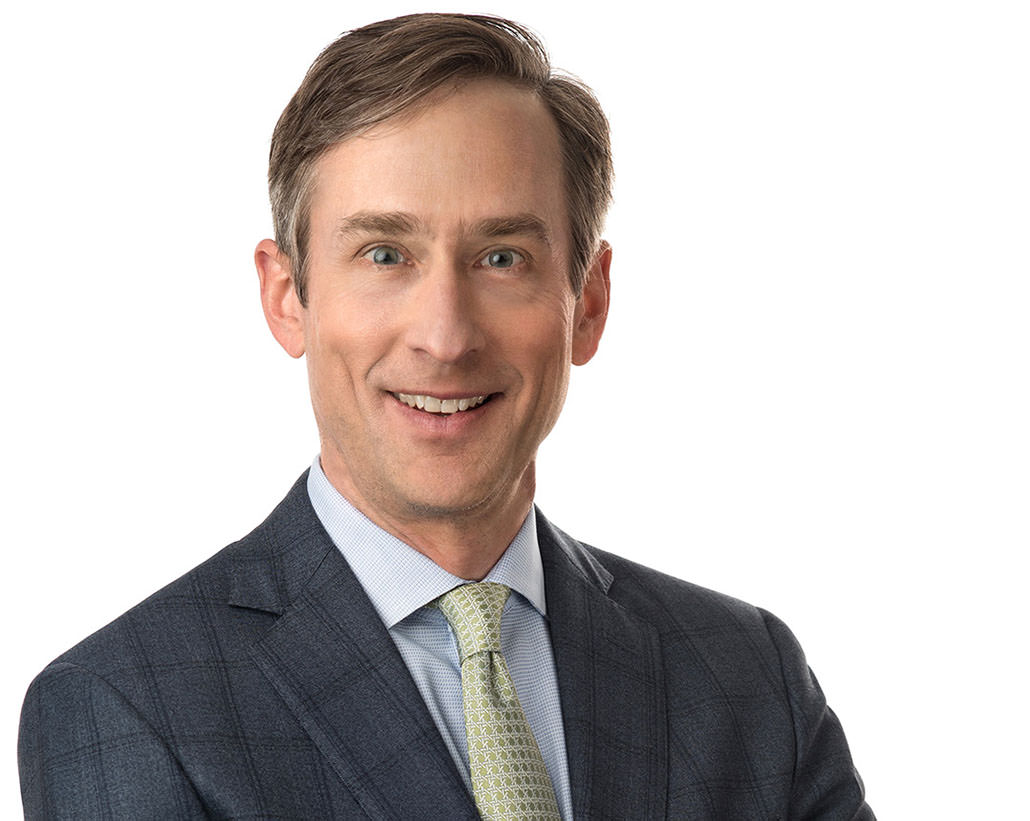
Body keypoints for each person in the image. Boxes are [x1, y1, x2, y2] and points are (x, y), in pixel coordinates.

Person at [18, 13, 873, 820]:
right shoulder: (129, 706)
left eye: (501, 257)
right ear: (287, 298)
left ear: (588, 303)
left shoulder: (748, 677)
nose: (445, 335)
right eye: (384, 254)